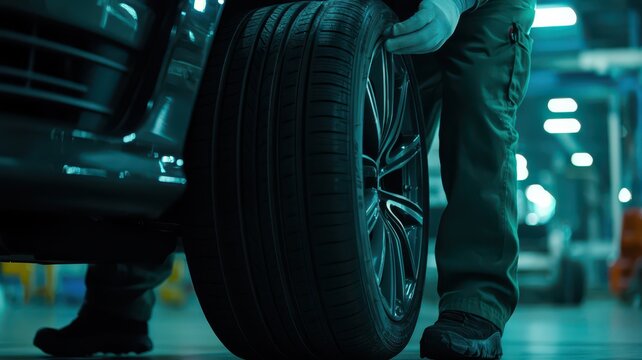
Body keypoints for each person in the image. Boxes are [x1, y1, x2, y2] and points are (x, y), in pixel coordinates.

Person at [34, 0, 535, 358]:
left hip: (479, 11)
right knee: (207, 103)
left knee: (479, 120)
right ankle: (117, 308)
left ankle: (476, 307)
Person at [384, 0, 535, 358]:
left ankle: (476, 303)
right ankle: (371, 289)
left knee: (478, 113)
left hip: (487, 8)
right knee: (387, 132)